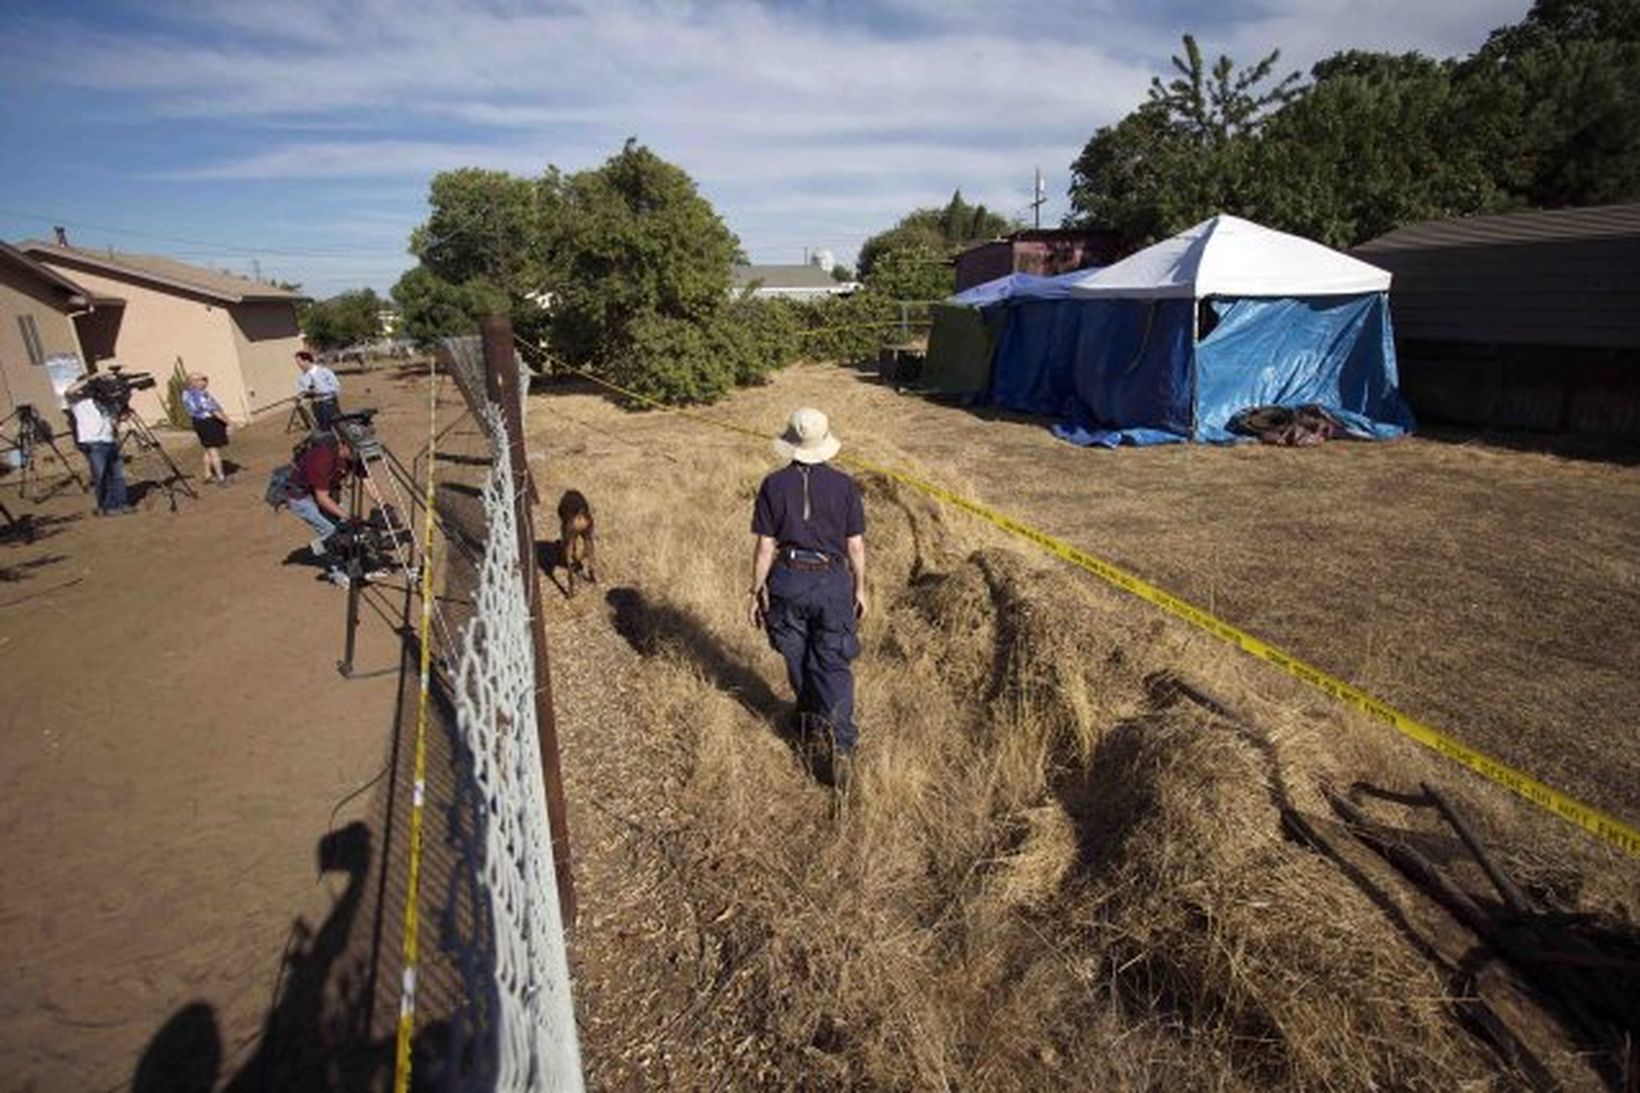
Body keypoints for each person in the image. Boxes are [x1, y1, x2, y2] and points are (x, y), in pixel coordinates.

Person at [747, 407, 868, 787]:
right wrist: (860, 586)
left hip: (787, 580)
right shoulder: (845, 486)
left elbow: (766, 545)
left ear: (791, 443)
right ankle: (841, 745)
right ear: (825, 444)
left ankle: (811, 721)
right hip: (832, 581)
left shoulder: (772, 485)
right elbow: (855, 545)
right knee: (831, 663)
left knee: (797, 658)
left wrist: (756, 590)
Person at [284, 432, 364, 587]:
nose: (359, 453)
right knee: (331, 532)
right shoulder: (323, 458)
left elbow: (367, 481)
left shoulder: (353, 457)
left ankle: (349, 562)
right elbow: (322, 498)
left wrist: (384, 505)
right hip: (300, 498)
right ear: (344, 445)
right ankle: (335, 572)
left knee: (344, 528)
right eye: (356, 449)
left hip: (324, 492)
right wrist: (348, 517)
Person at [66, 379, 133, 516]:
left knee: (118, 475)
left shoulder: (105, 401)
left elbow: (117, 416)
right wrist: (90, 379)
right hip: (93, 442)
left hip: (110, 440)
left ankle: (122, 503)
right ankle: (107, 506)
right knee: (101, 476)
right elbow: (68, 391)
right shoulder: (78, 402)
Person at [181, 373, 233, 485]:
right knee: (214, 450)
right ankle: (221, 478)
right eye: (203, 379)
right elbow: (214, 411)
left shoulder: (185, 394)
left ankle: (207, 474)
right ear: (194, 382)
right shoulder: (201, 395)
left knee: (207, 448)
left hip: (198, 422)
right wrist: (229, 422)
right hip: (208, 423)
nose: (206, 381)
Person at [294, 349, 343, 430]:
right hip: (316, 406)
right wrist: (300, 396)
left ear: (306, 360)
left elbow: (336, 387)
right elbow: (303, 391)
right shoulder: (302, 378)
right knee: (324, 428)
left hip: (329, 404)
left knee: (338, 427)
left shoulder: (325, 371)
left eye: (299, 362)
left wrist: (320, 392)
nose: (298, 365)